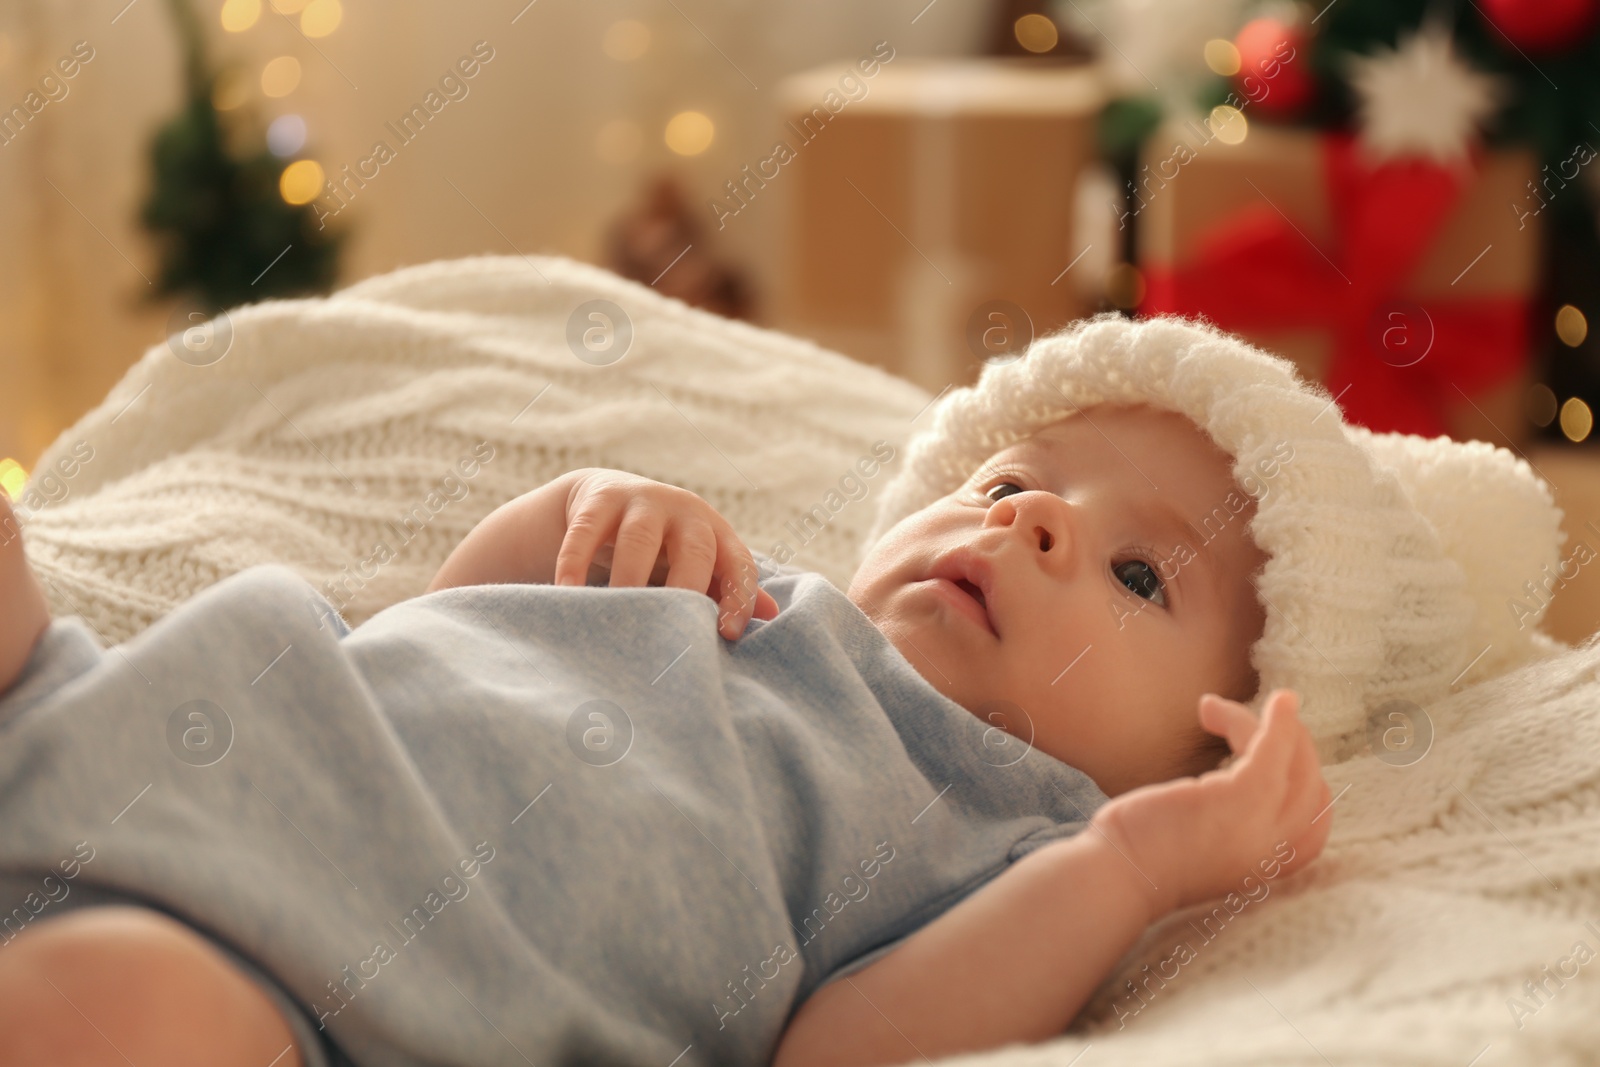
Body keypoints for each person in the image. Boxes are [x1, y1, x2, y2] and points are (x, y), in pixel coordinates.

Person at [0, 314, 1478, 1067]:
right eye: (1010, 480)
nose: (1033, 523)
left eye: (1142, 577)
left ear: (1194, 749)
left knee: (101, 1009)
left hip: (310, 991)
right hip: (166, 728)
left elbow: (840, 1051)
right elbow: (453, 627)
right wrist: (585, 505)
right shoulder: (747, 591)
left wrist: (1136, 867)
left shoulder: (1012, 850)